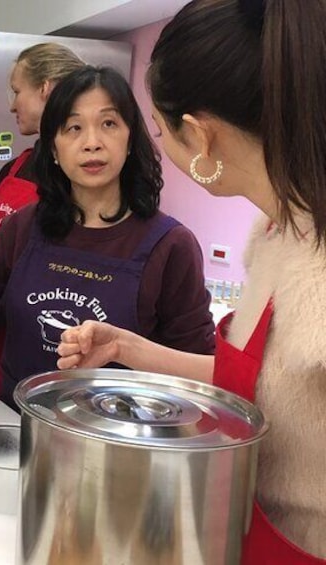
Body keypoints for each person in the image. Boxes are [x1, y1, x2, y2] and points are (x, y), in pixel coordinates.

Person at [57, 1, 326, 560]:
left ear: (201, 138)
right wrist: (127, 348)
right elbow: (267, 388)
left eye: (156, 129)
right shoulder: (278, 232)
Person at [0, 66, 214, 405]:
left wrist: (126, 349)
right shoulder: (26, 225)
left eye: (108, 124)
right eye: (73, 128)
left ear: (131, 138)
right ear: (54, 150)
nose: (92, 143)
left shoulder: (170, 245)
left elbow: (202, 372)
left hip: (114, 443)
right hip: (18, 427)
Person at [0, 43, 84, 395]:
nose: (11, 104)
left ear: (47, 89)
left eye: (16, 91)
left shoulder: (81, 180)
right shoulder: (14, 167)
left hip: (53, 345)